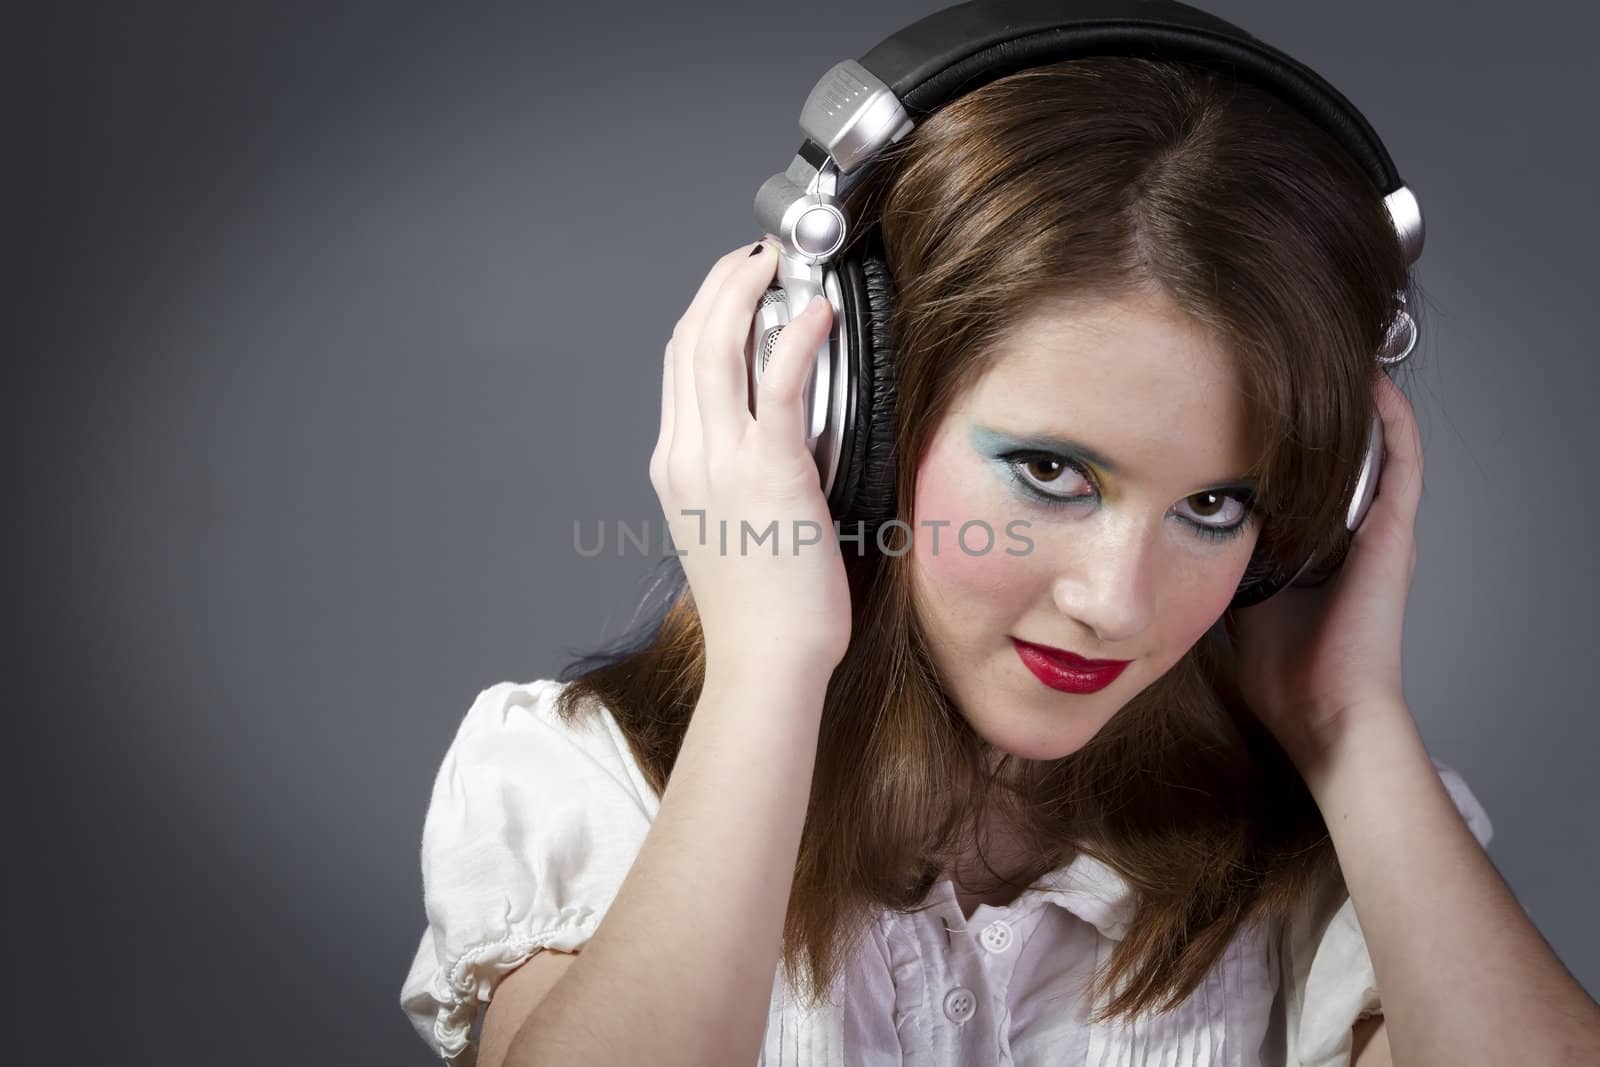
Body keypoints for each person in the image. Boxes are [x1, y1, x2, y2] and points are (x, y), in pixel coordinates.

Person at [398, 47, 1600, 1067]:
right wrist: (771, 667)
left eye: (1218, 506)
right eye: (1051, 472)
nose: (1115, 603)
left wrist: (1346, 721)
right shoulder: (578, 780)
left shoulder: (1336, 853)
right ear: (844, 417)